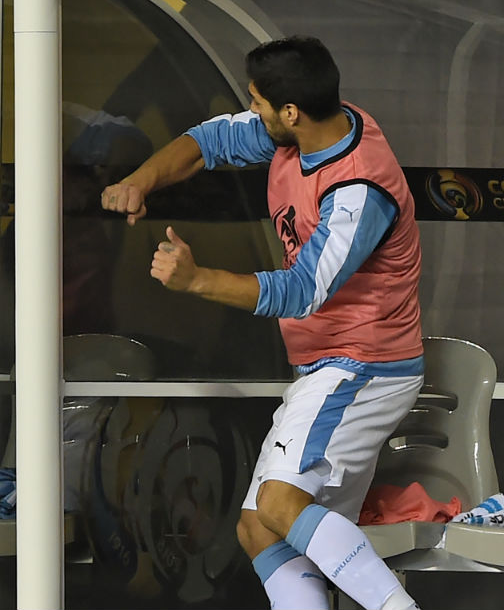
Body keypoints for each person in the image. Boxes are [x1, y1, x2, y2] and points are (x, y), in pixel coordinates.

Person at [101, 36, 424, 610]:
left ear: (291, 112)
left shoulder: (359, 189)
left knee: (276, 507)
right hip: (326, 369)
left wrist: (196, 280)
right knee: (259, 529)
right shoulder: (304, 131)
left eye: (256, 102)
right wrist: (141, 181)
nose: (251, 111)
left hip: (363, 370)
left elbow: (301, 292)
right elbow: (208, 142)